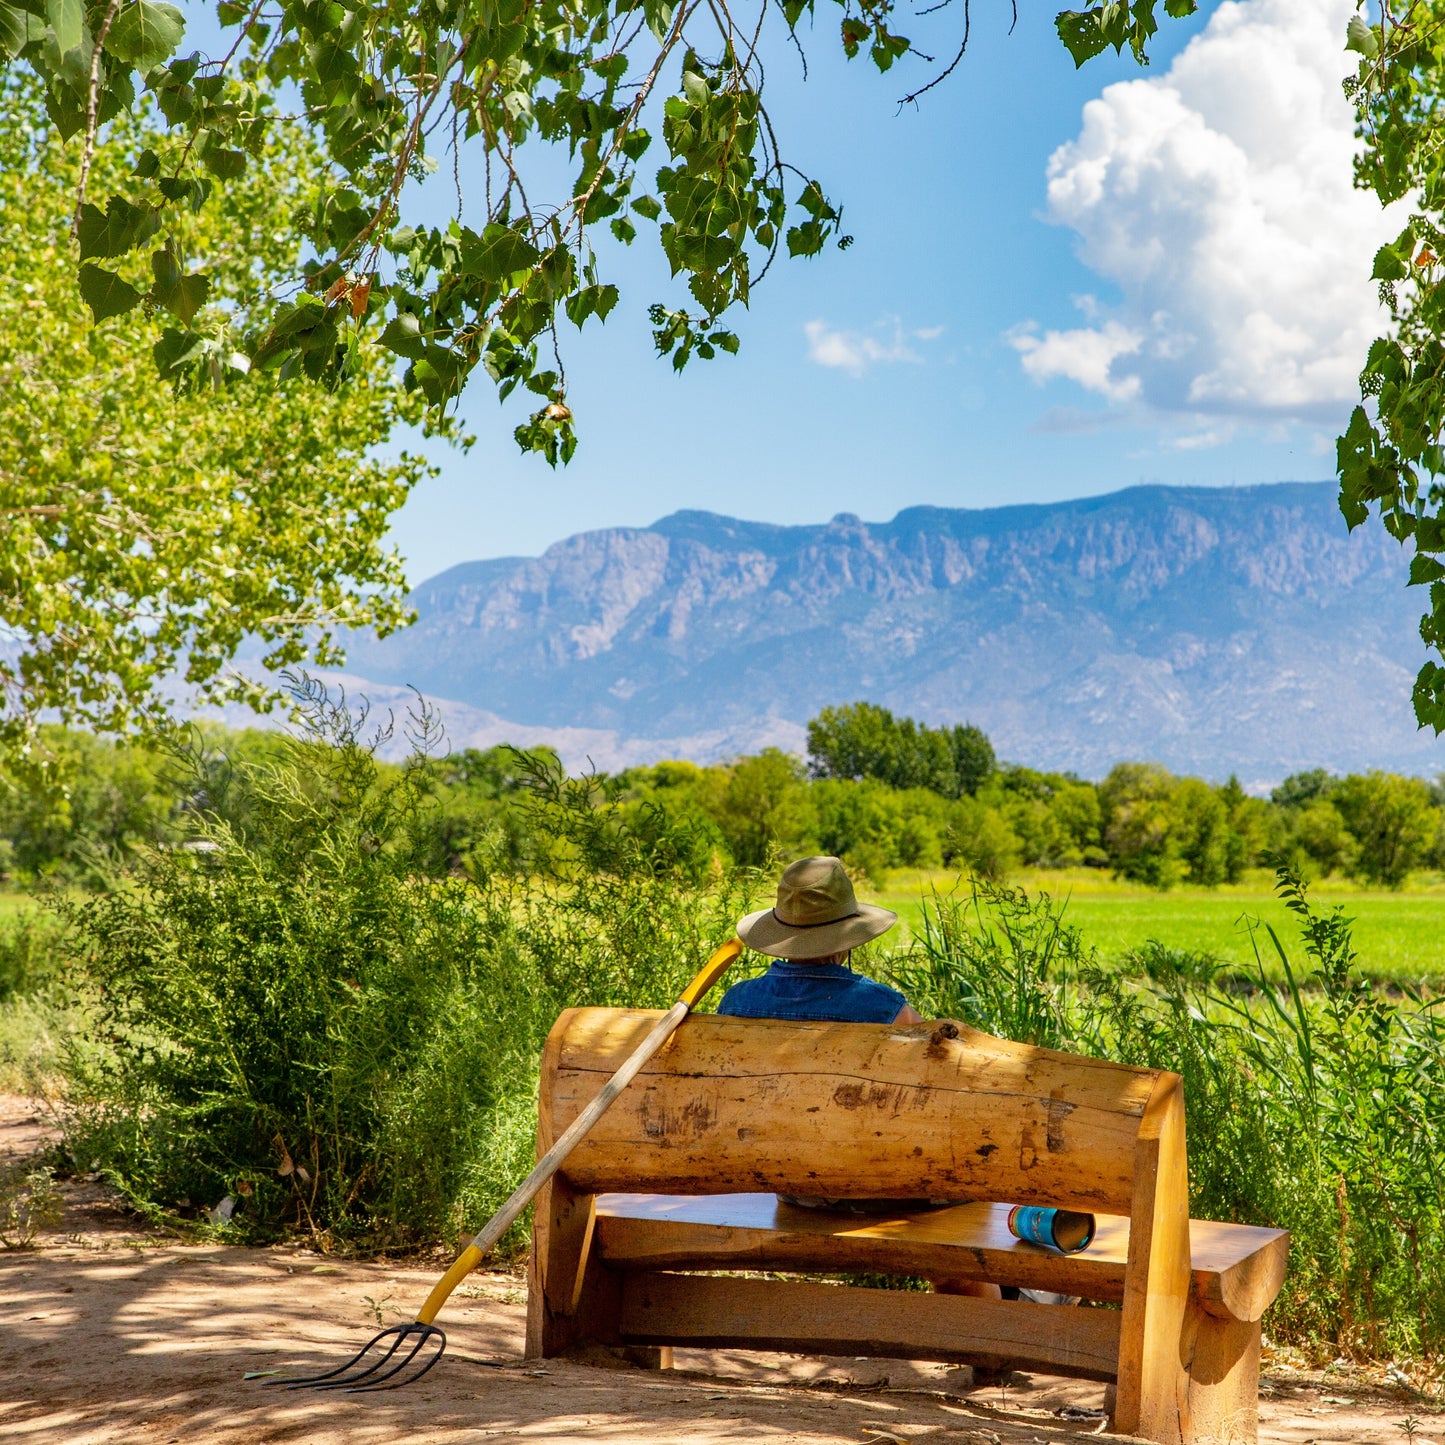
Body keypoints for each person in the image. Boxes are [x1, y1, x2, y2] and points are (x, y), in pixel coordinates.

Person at [714, 855, 1001, 1305]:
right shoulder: (884, 1008)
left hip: (793, 1189)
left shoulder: (735, 1004)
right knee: (975, 1209)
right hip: (882, 1190)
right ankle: (1002, 1322)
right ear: (846, 937)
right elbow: (939, 1096)